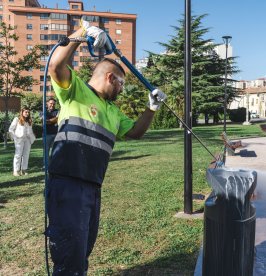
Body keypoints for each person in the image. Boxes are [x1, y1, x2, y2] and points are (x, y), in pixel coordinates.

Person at [45, 18, 166, 275]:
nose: (122, 90)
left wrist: (151, 108)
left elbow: (135, 132)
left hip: (92, 187)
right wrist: (83, 33)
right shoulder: (75, 90)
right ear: (110, 77)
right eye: (121, 84)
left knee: (82, 250)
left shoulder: (113, 112)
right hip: (67, 184)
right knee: (69, 254)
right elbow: (56, 65)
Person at [8, 107, 36, 176]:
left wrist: (32, 138)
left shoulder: (29, 120)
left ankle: (24, 170)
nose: (27, 113)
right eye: (26, 112)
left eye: (28, 112)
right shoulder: (17, 119)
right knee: (18, 154)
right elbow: (11, 129)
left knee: (26, 154)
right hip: (19, 139)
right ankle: (16, 170)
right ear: (22, 112)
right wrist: (15, 138)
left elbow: (30, 130)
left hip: (27, 139)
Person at [40, 97, 59, 162]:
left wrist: (50, 120)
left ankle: (54, 165)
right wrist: (54, 119)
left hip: (56, 134)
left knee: (56, 151)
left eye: (54, 104)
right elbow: (44, 121)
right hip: (46, 134)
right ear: (47, 103)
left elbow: (58, 119)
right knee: (46, 151)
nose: (52, 105)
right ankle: (46, 166)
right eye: (51, 103)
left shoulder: (57, 111)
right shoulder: (43, 111)